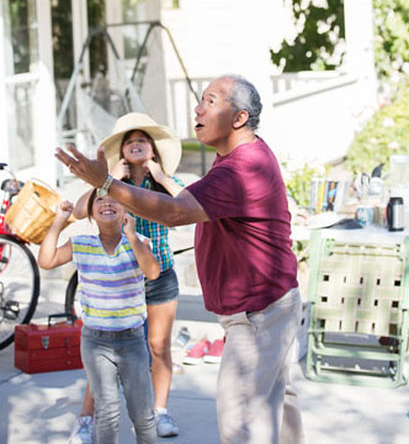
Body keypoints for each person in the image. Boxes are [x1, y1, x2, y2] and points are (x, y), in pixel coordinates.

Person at [56, 74, 304, 444]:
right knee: (278, 413)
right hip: (274, 306)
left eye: (211, 101)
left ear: (238, 118)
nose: (198, 108)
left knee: (244, 427)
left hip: (259, 317)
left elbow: (173, 212)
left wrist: (105, 184)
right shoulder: (240, 157)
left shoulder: (241, 167)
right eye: (200, 99)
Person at [70, 112, 183, 442]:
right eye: (130, 141)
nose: (136, 144)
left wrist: (161, 176)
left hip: (157, 273)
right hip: (117, 277)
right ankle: (87, 419)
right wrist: (105, 180)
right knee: (105, 348)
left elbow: (190, 205)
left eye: (143, 140)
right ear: (121, 151)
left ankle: (159, 412)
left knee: (158, 346)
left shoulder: (164, 180)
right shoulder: (110, 186)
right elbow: (79, 211)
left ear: (153, 149)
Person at [38, 192, 160, 444]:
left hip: (133, 341)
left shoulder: (140, 242)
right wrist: (59, 222)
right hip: (95, 342)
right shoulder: (80, 243)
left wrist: (131, 237)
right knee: (107, 412)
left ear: (127, 211)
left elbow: (153, 272)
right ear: (92, 213)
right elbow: (46, 260)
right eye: (100, 200)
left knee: (143, 415)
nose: (106, 203)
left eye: (114, 199)